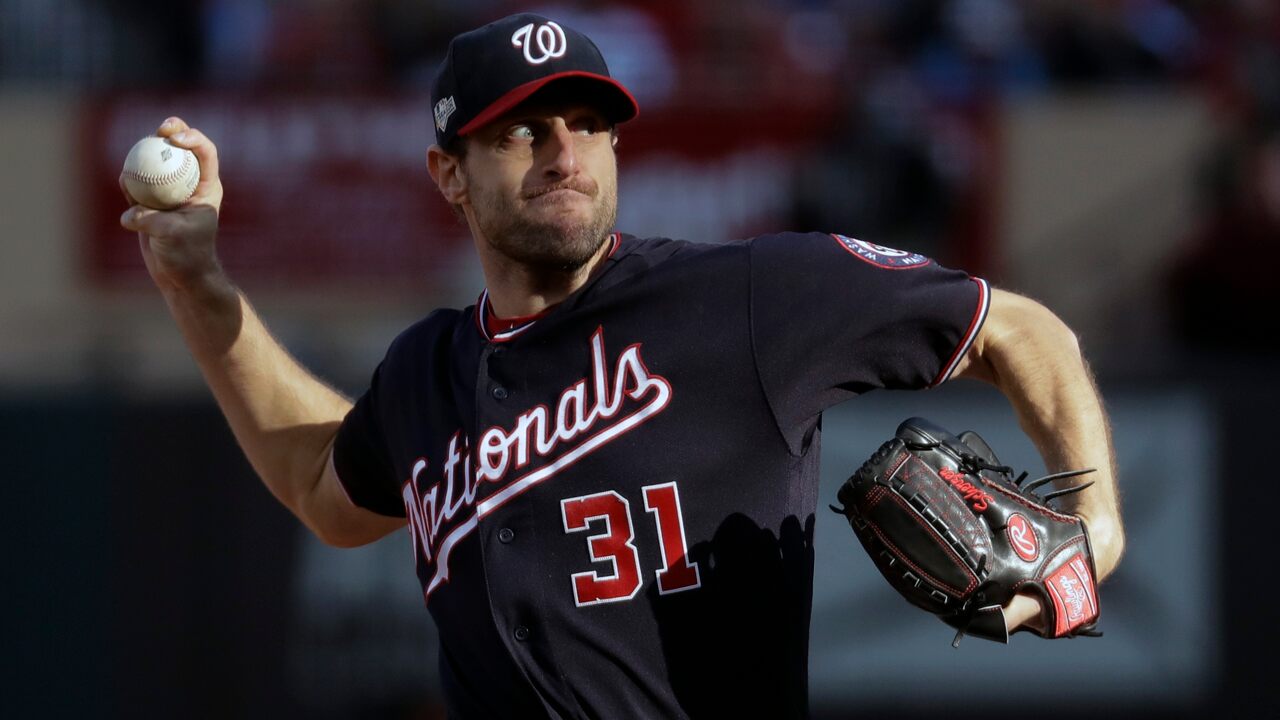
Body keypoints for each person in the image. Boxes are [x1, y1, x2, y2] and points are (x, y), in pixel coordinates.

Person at [120, 12, 1125, 719]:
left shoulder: (747, 296)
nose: (565, 154)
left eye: (588, 124)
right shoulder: (423, 370)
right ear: (448, 175)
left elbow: (1020, 330)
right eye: (520, 131)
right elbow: (320, 486)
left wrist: (1096, 532)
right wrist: (199, 292)